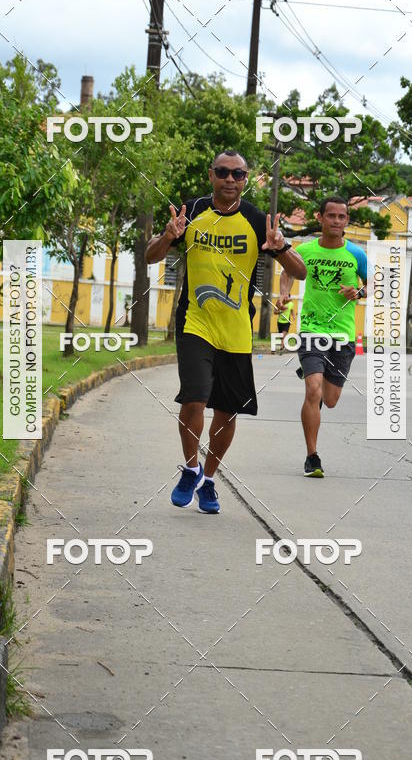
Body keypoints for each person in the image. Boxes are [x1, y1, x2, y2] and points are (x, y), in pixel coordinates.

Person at [146, 150, 307, 513]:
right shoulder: (192, 212)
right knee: (196, 397)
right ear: (211, 175)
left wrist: (280, 248)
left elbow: (299, 272)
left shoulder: (256, 220)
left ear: (246, 179)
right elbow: (150, 256)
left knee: (227, 411)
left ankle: (209, 479)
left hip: (236, 328)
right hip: (195, 322)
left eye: (238, 174)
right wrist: (168, 236)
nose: (230, 179)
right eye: (223, 172)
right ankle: (190, 469)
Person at [278, 196, 367, 478]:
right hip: (313, 330)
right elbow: (287, 272)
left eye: (342, 217)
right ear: (320, 218)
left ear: (347, 221)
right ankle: (312, 457)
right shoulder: (305, 250)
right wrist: (284, 293)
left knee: (329, 400)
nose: (336, 221)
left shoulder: (356, 254)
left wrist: (360, 292)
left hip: (343, 334)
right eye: (331, 216)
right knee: (313, 390)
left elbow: (378, 284)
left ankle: (312, 373)